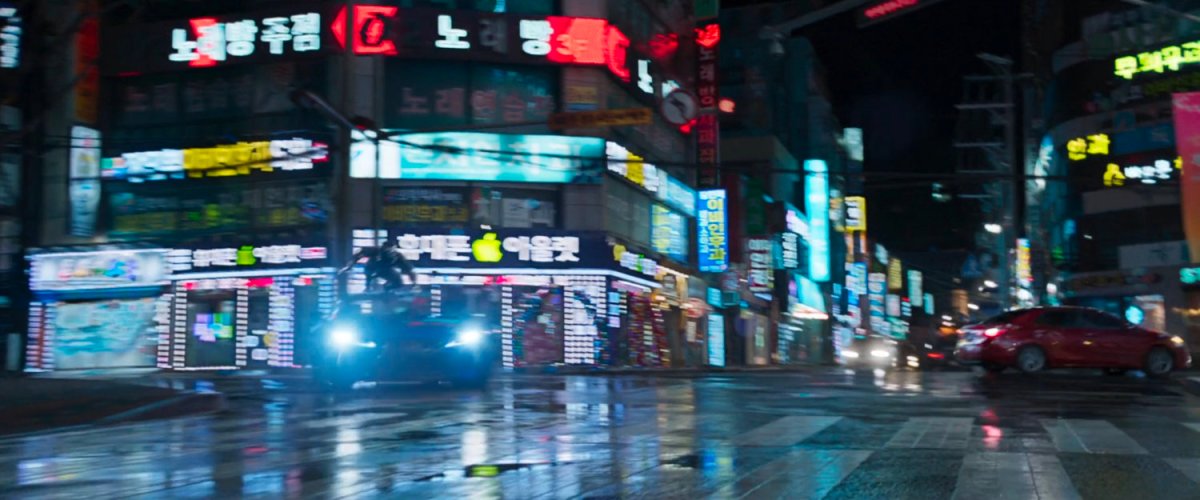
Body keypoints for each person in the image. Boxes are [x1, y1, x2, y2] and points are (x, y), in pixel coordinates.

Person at [341, 241, 417, 292]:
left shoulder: (398, 256)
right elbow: (359, 254)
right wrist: (350, 266)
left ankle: (387, 288)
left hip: (386, 270)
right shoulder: (375, 250)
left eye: (390, 251)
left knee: (398, 282)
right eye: (386, 250)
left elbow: (409, 270)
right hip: (373, 268)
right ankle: (368, 286)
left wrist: (414, 284)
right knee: (369, 271)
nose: (388, 252)